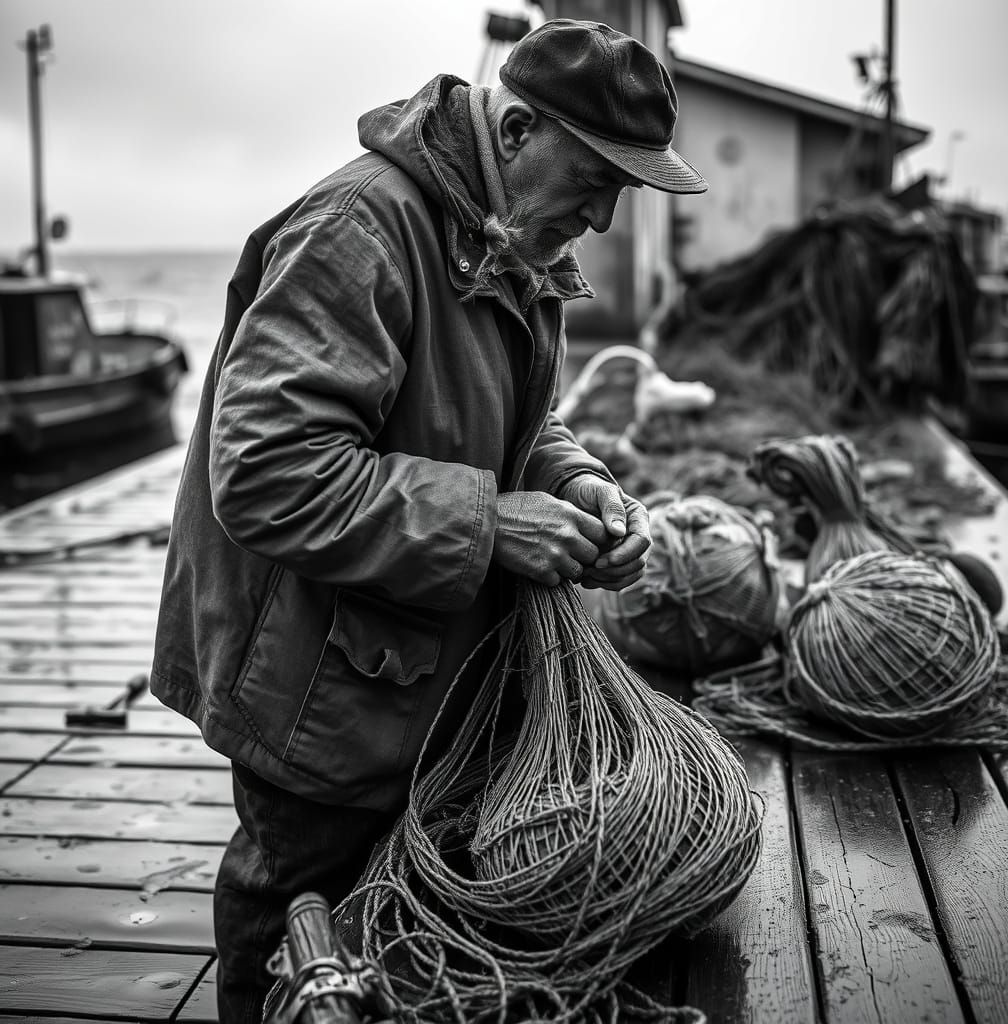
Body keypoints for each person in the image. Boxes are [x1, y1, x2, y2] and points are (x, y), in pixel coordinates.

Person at [150, 17, 707, 1024]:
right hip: (320, 695)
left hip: (425, 682)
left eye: (622, 191)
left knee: (400, 955)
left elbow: (510, 420)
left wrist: (576, 481)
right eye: (596, 181)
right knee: (296, 938)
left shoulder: (509, 235)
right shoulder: (359, 230)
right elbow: (272, 472)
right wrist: (492, 526)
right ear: (514, 132)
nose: (605, 218)